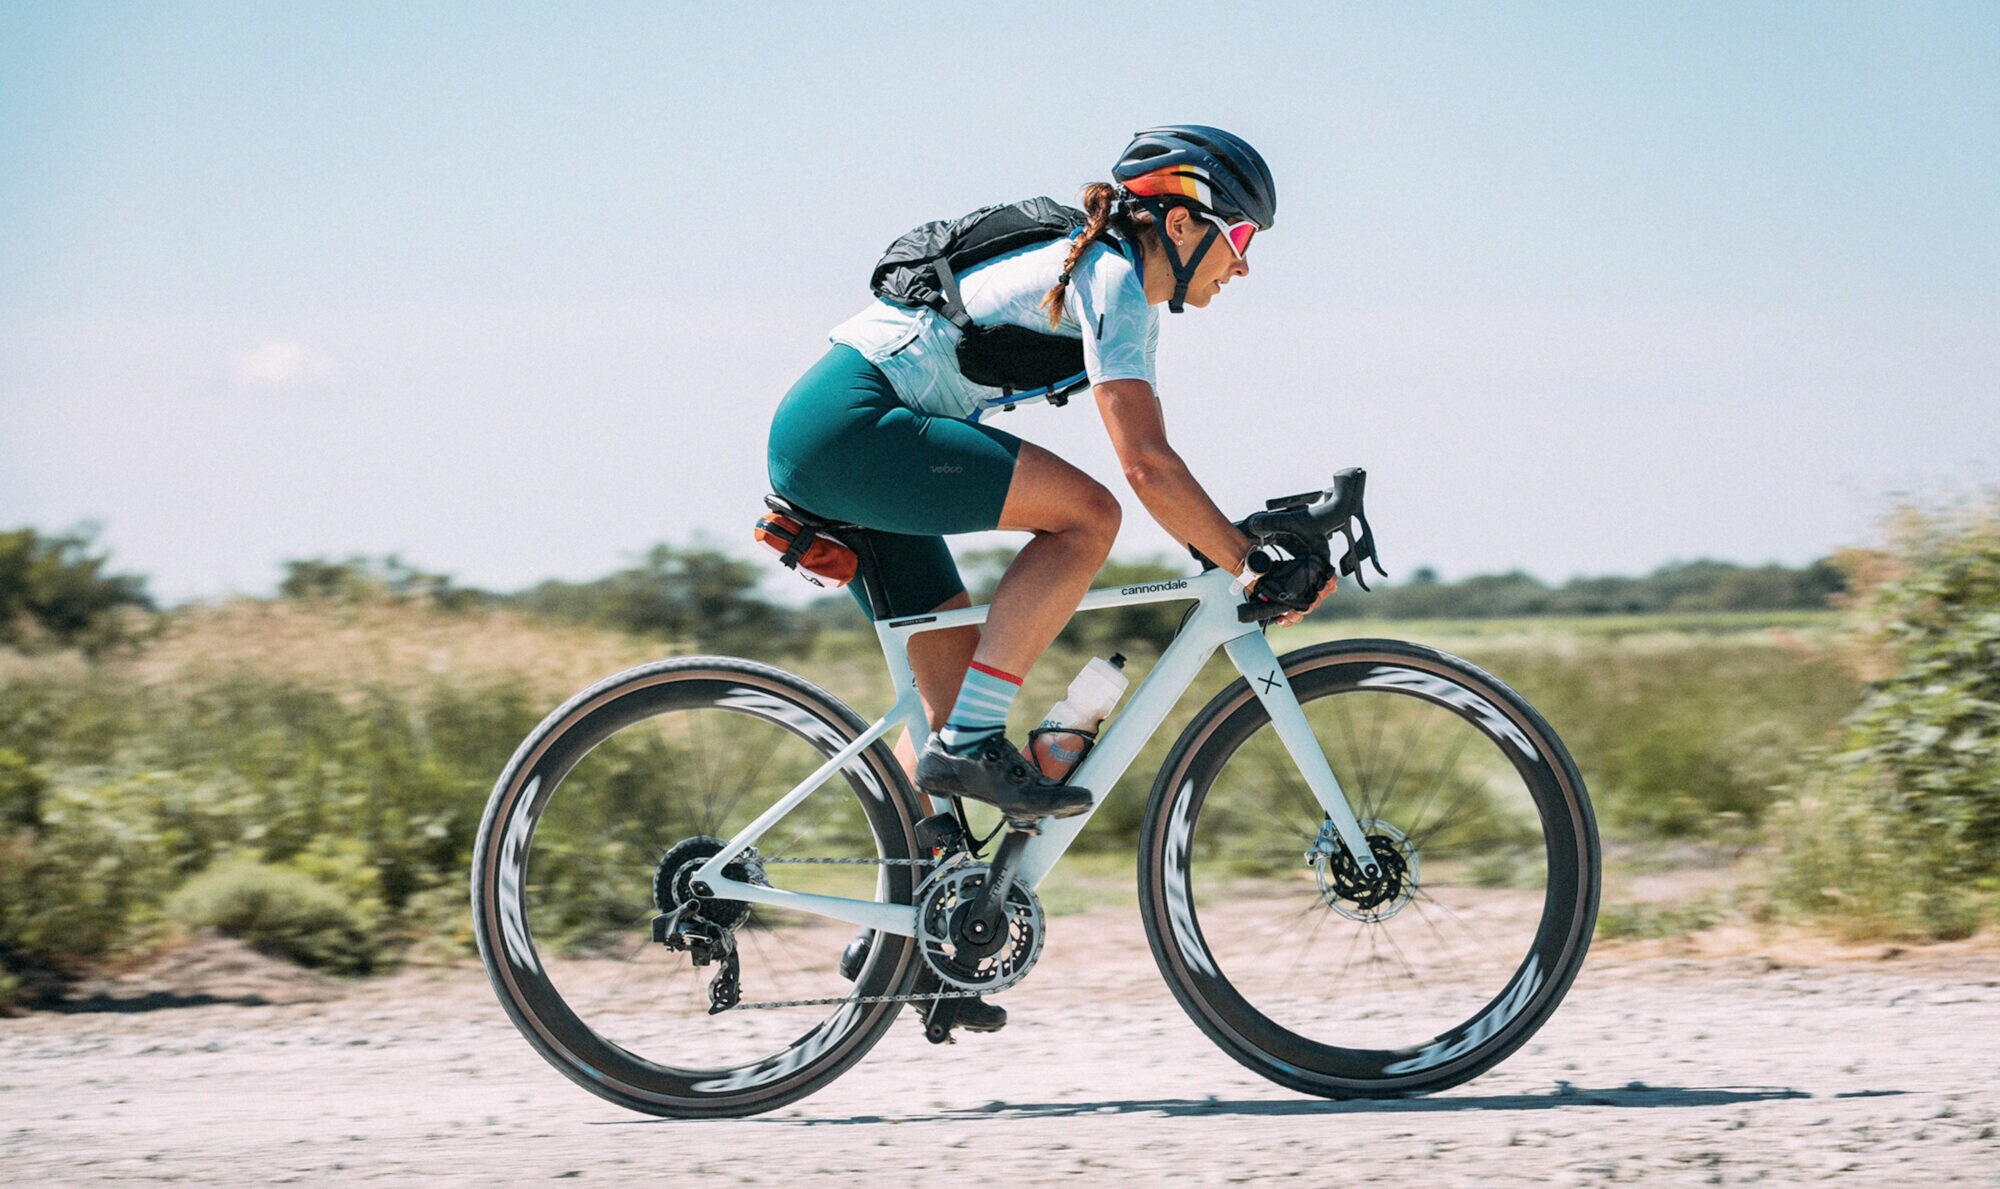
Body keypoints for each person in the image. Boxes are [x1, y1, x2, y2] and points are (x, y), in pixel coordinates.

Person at [764, 125, 1331, 1032]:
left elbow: (1160, 466)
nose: (1245, 267)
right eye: (1242, 239)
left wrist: (1229, 542)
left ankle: (918, 937)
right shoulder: (1111, 275)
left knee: (947, 712)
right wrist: (1243, 557)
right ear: (1182, 225)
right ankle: (975, 746)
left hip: (848, 433)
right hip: (851, 424)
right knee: (1088, 517)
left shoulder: (1106, 275)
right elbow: (1145, 467)